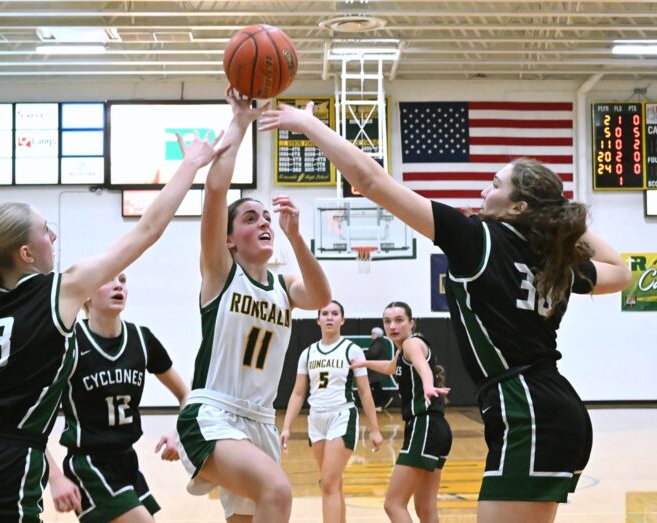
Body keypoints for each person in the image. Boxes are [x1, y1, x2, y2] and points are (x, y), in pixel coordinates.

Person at [259, 104, 631, 523]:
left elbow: (369, 180)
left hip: (526, 406)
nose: (483, 193)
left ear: (518, 207)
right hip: (552, 406)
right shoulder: (551, 257)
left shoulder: (477, 238)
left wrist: (309, 124)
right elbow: (620, 272)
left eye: (494, 185)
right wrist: (560, 215)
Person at [0, 132, 228, 522]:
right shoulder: (59, 290)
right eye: (45, 230)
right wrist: (192, 163)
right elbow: (147, 231)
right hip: (5, 471)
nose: (53, 235)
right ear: (26, 254)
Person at [175, 88, 331, 523]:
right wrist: (240, 120)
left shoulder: (284, 286)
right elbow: (215, 189)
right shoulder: (221, 273)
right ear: (229, 239)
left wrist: (297, 237)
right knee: (278, 492)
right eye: (250, 218)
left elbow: (320, 298)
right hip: (213, 412)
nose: (263, 222)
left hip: (261, 421)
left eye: (266, 218)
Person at [48, 272, 190, 523]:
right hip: (89, 464)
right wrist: (56, 477)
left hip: (126, 460)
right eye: (107, 279)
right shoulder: (68, 344)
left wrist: (179, 431)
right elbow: (30, 421)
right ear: (87, 294)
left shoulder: (142, 340)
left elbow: (184, 394)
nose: (118, 286)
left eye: (122, 280)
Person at [280, 300, 382, 523]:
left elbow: (364, 391)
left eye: (335, 313)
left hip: (341, 416)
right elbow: (298, 393)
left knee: (327, 484)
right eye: (324, 313)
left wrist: (375, 429)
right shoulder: (307, 353)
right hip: (315, 418)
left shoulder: (351, 350)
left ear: (342, 320)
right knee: (333, 484)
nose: (329, 317)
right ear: (317, 319)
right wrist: (286, 426)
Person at [352, 302, 451, 523]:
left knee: (393, 504)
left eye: (399, 320)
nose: (393, 326)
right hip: (437, 428)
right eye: (387, 321)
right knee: (426, 508)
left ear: (411, 323)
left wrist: (427, 385)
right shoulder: (401, 351)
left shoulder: (412, 344)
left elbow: (423, 367)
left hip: (424, 425)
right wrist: (364, 362)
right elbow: (389, 367)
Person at [365, 326, 393, 411]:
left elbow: (372, 354)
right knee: (375, 386)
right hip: (376, 369)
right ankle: (384, 400)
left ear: (378, 335)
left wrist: (363, 355)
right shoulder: (379, 343)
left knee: (374, 386)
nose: (372, 335)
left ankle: (381, 403)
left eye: (373, 334)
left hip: (376, 370)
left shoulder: (377, 343)